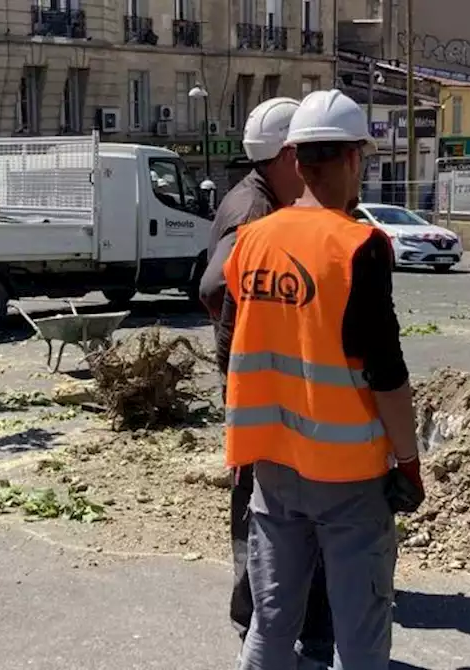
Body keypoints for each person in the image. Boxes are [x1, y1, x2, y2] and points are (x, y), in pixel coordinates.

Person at [219, 89, 421, 670]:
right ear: (356, 157)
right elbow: (386, 372)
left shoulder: (252, 241)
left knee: (272, 620)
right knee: (360, 627)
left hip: (272, 465)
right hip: (348, 472)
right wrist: (407, 463)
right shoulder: (359, 246)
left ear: (295, 157)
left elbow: (240, 334)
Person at [197, 97, 336, 670]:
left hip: (262, 391)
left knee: (267, 512)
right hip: (264, 397)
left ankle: (265, 625)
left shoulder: (252, 196)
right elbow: (212, 289)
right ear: (286, 154)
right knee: (262, 512)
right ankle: (256, 624)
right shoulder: (255, 213)